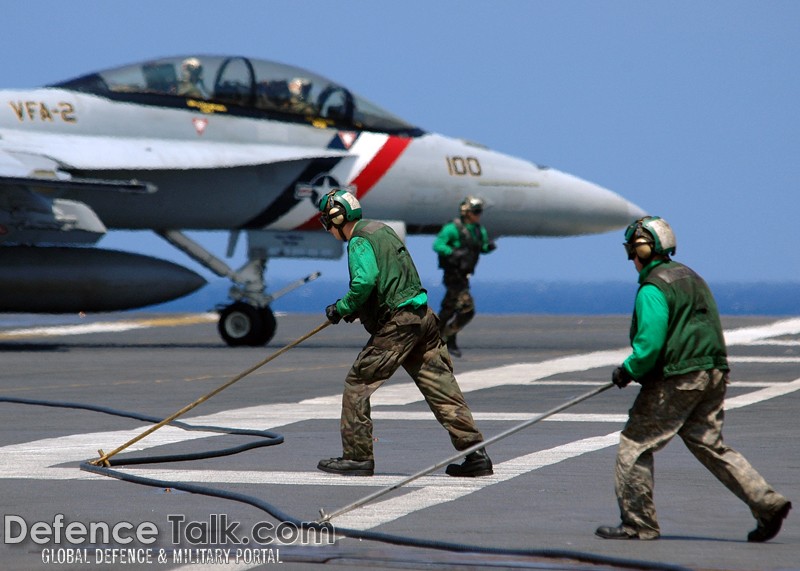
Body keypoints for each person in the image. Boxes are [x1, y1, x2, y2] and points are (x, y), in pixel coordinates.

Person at [596, 216, 791, 541]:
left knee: (635, 444)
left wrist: (628, 370)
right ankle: (767, 503)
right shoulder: (691, 277)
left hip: (678, 377)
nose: (632, 258)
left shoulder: (653, 288)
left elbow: (650, 345)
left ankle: (638, 524)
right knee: (709, 445)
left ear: (643, 250)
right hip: (714, 373)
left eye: (633, 251)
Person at [316, 189, 493, 478]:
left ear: (337, 217)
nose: (327, 227)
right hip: (424, 318)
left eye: (327, 220)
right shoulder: (382, 230)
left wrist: (342, 308)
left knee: (357, 383)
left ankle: (357, 458)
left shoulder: (360, 240)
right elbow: (394, 278)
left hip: (398, 325)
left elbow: (365, 282)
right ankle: (476, 455)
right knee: (442, 389)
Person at [433, 196, 496, 357]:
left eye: (479, 212)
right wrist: (452, 253)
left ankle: (437, 341)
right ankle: (446, 337)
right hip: (453, 275)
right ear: (466, 212)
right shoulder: (452, 228)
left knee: (449, 309)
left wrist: (488, 247)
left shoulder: (477, 230)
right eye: (476, 212)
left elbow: (481, 246)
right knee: (467, 310)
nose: (478, 215)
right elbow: (438, 245)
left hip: (465, 275)